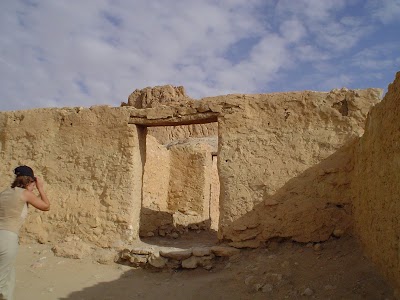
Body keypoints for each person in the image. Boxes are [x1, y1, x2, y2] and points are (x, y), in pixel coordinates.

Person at [0, 165, 50, 300]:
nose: (34, 187)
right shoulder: (25, 193)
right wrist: (41, 188)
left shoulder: (4, 192)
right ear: (30, 181)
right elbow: (46, 206)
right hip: (7, 239)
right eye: (33, 184)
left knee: (8, 277)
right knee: (2, 280)